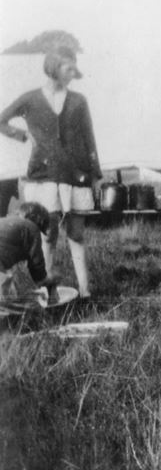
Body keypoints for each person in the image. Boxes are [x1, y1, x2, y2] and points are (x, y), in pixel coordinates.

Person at [0, 47, 101, 300]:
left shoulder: (79, 101)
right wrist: (23, 136)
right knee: (47, 235)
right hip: (42, 176)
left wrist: (96, 174)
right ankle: (48, 295)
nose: (73, 74)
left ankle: (85, 291)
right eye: (69, 68)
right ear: (54, 67)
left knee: (77, 235)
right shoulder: (31, 99)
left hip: (76, 175)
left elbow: (89, 138)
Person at [0, 202, 60, 305]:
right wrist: (46, 281)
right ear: (38, 220)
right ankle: (13, 316)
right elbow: (37, 263)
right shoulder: (31, 228)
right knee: (6, 302)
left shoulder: (7, 220)